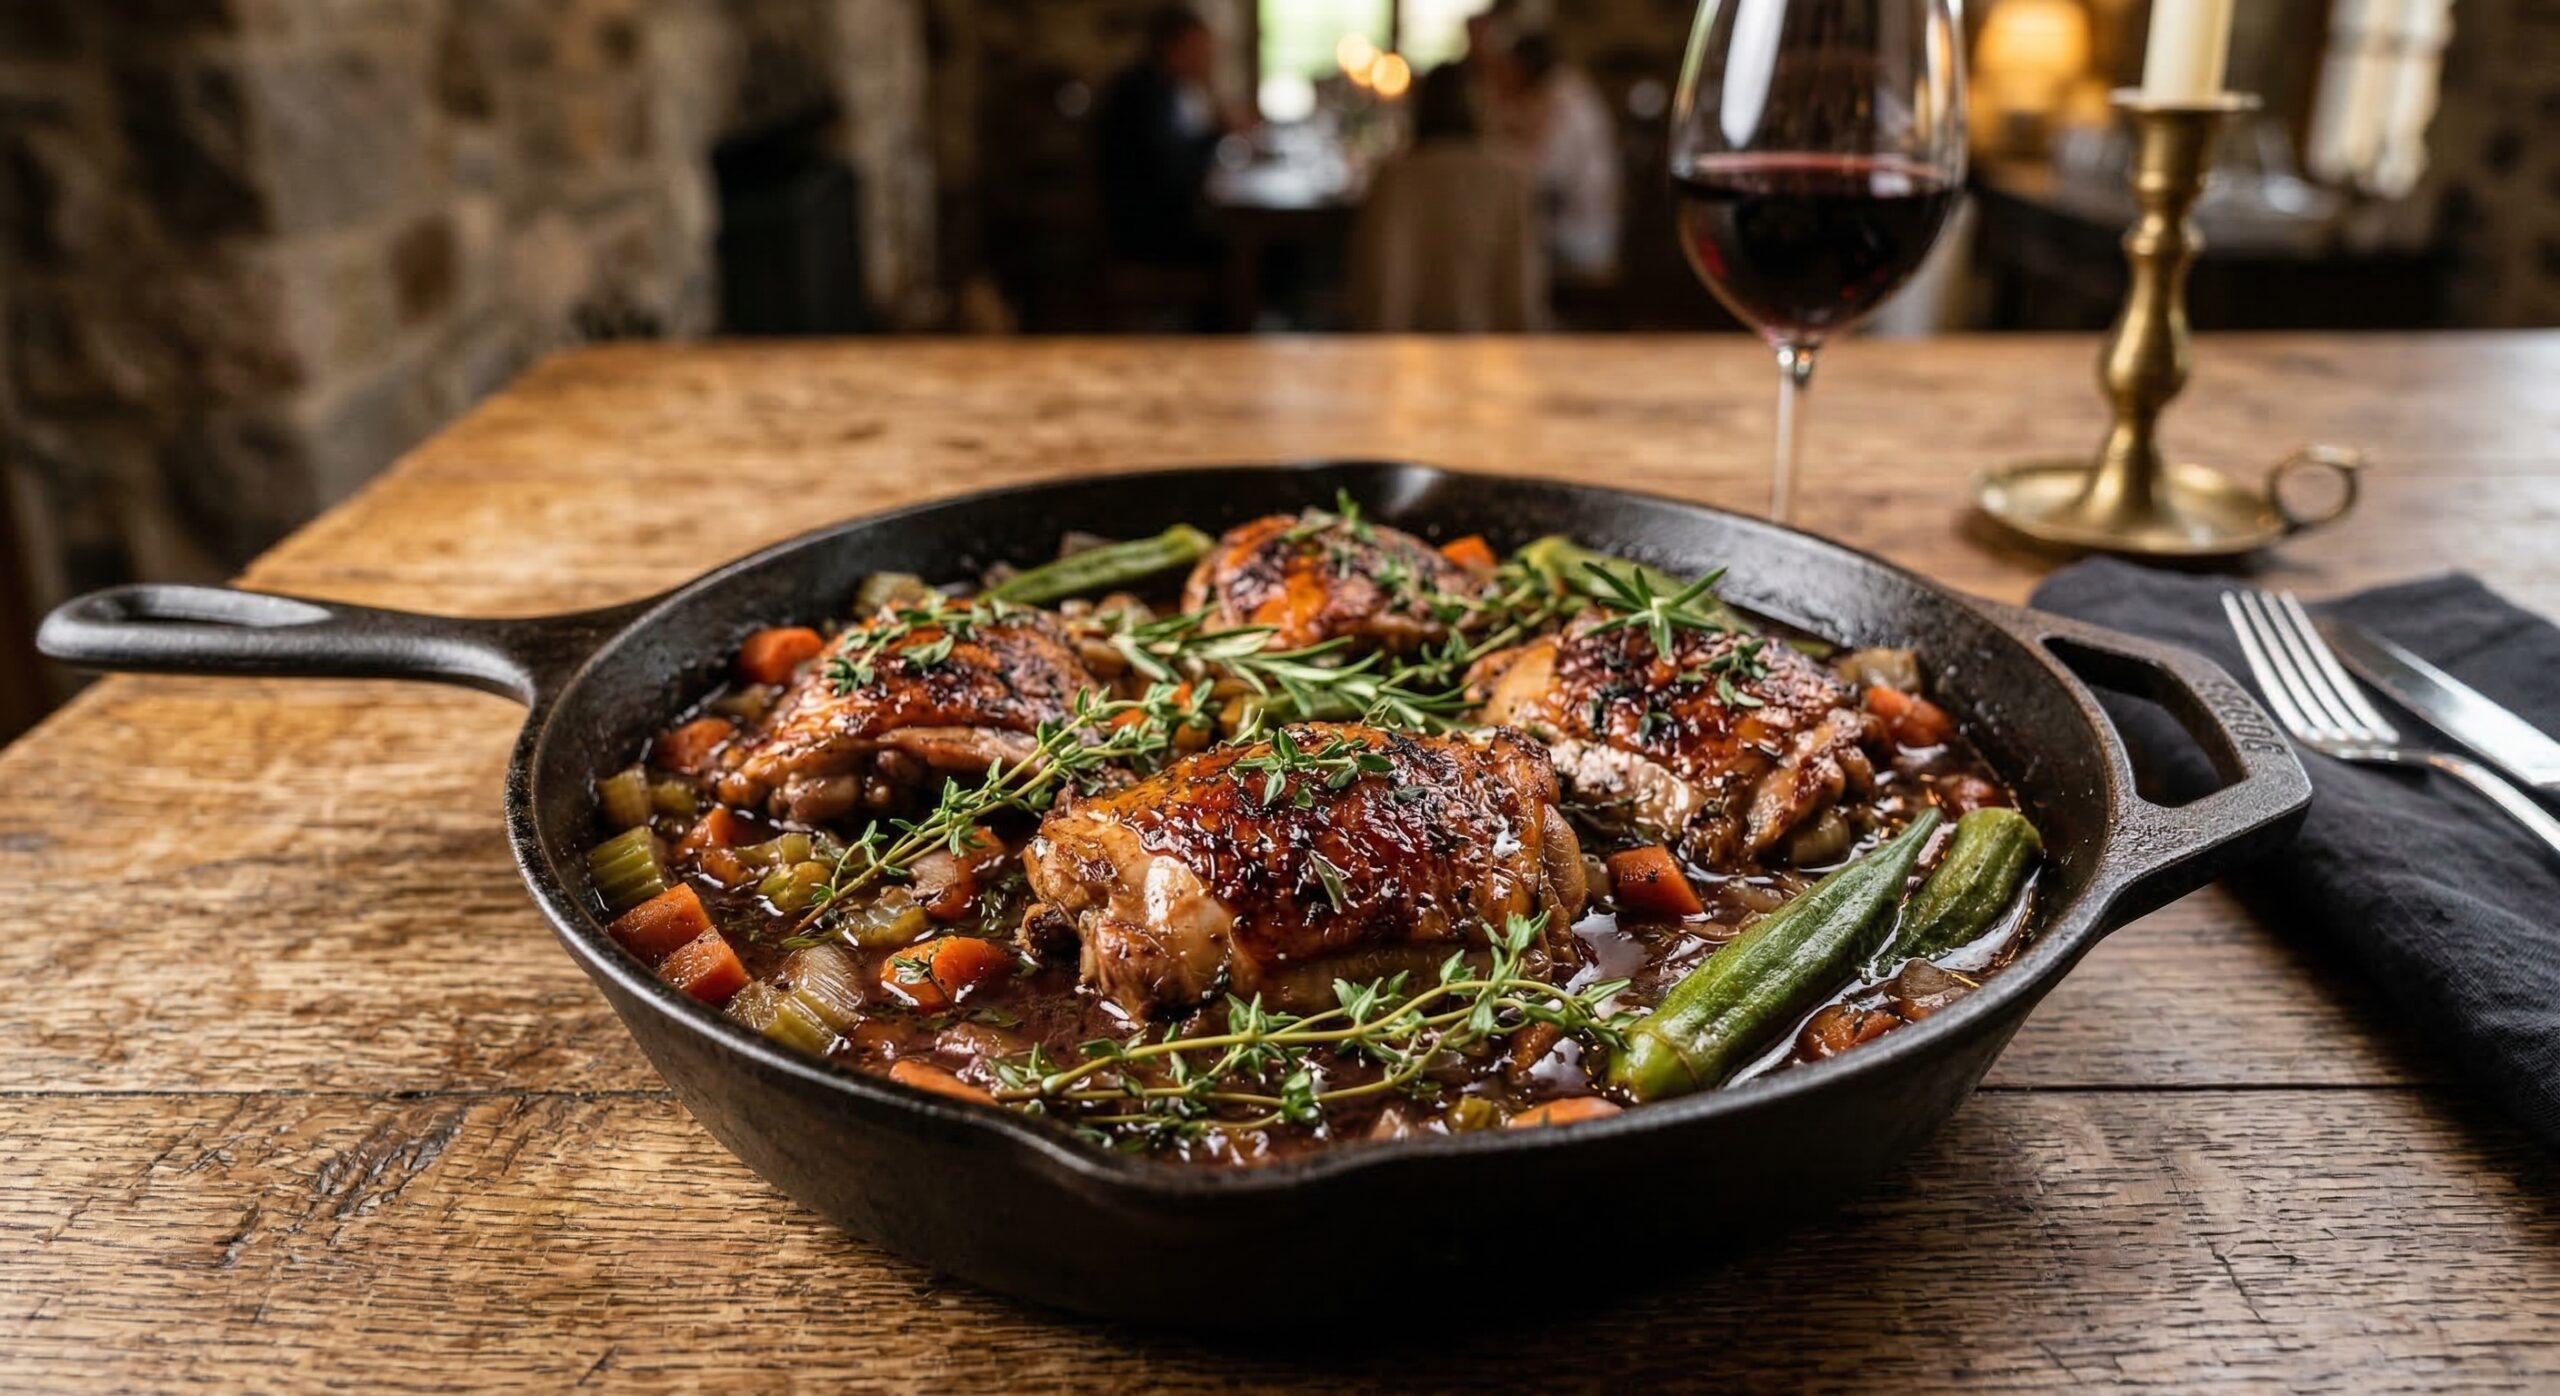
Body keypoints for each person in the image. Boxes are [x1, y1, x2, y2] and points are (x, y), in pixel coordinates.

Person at [1346, 63, 1546, 332]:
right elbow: (1522, 287)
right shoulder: (1510, 177)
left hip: (1406, 345)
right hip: (1491, 346)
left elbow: (1377, 284)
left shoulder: (1395, 177)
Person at [1096, 4, 1226, 268]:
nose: (1209, 58)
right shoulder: (1143, 94)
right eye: (1201, 49)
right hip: (1147, 236)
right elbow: (1170, 172)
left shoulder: (1165, 88)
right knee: (1259, 250)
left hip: (1158, 223)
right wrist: (1218, 132)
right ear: (1175, 47)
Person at [1505, 33, 1622, 286]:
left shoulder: (1562, 99)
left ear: (1526, 64)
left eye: (1510, 66)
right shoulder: (1554, 91)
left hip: (1579, 236)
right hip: (1566, 223)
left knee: (1494, 243)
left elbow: (1542, 174)